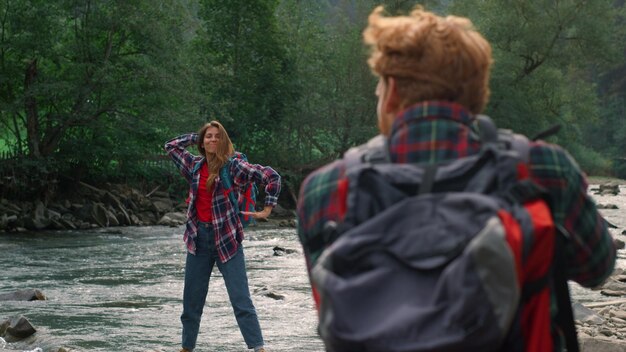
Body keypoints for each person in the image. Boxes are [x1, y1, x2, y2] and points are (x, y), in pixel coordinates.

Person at [296, 5, 616, 350]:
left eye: (379, 87)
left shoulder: (326, 189)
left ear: (392, 92)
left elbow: (329, 307)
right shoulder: (541, 168)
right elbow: (597, 268)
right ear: (477, 94)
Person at [165, 120, 281, 352]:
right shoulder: (193, 166)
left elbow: (271, 176)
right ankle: (186, 348)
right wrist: (195, 137)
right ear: (202, 141)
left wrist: (267, 209)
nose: (212, 140)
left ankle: (259, 349)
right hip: (198, 242)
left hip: (228, 242)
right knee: (191, 304)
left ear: (224, 141)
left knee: (241, 302)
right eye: (208, 136)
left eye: (217, 136)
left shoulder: (234, 167)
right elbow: (171, 146)